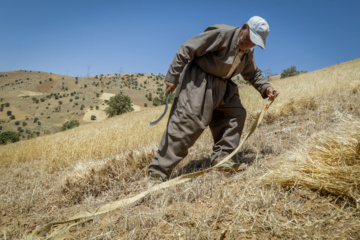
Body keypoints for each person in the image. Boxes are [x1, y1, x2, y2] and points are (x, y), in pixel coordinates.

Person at [147, 16, 279, 185]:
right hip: (199, 82)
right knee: (187, 123)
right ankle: (158, 172)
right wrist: (173, 75)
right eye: (248, 39)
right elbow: (187, 48)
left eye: (254, 43)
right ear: (244, 27)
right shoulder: (221, 34)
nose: (249, 44)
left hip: (223, 86)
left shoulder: (248, 52)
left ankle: (222, 159)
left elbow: (252, 73)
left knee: (235, 114)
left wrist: (266, 88)